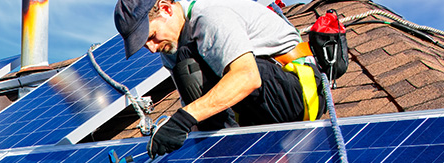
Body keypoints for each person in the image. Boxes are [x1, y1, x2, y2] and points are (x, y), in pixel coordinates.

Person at [113, 0, 310, 157]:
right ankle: (232, 153)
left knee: (192, 66)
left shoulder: (210, 15)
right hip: (257, 108)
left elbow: (248, 76)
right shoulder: (172, 49)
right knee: (187, 67)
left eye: (152, 36)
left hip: (297, 92)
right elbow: (195, 106)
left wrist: (182, 119)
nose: (153, 48)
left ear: (166, 9)